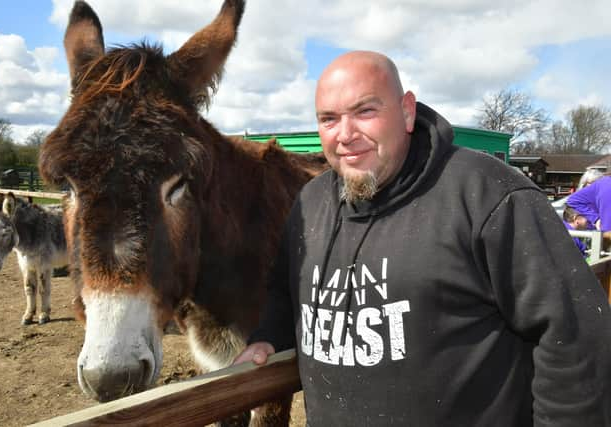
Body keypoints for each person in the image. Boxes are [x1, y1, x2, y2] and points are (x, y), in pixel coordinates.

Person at [234, 51, 611, 426]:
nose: (345, 135)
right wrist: (269, 336)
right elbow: (286, 291)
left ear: (407, 111)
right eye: (329, 119)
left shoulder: (487, 197)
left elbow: (576, 340)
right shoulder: (311, 202)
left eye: (365, 111)